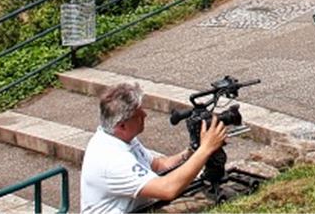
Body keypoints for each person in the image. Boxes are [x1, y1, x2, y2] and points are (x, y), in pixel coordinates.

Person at [80, 81, 228, 214]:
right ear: (122, 126)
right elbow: (168, 189)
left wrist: (191, 152)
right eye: (138, 114)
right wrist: (206, 149)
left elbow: (158, 165)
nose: (145, 115)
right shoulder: (111, 160)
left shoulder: (119, 137)